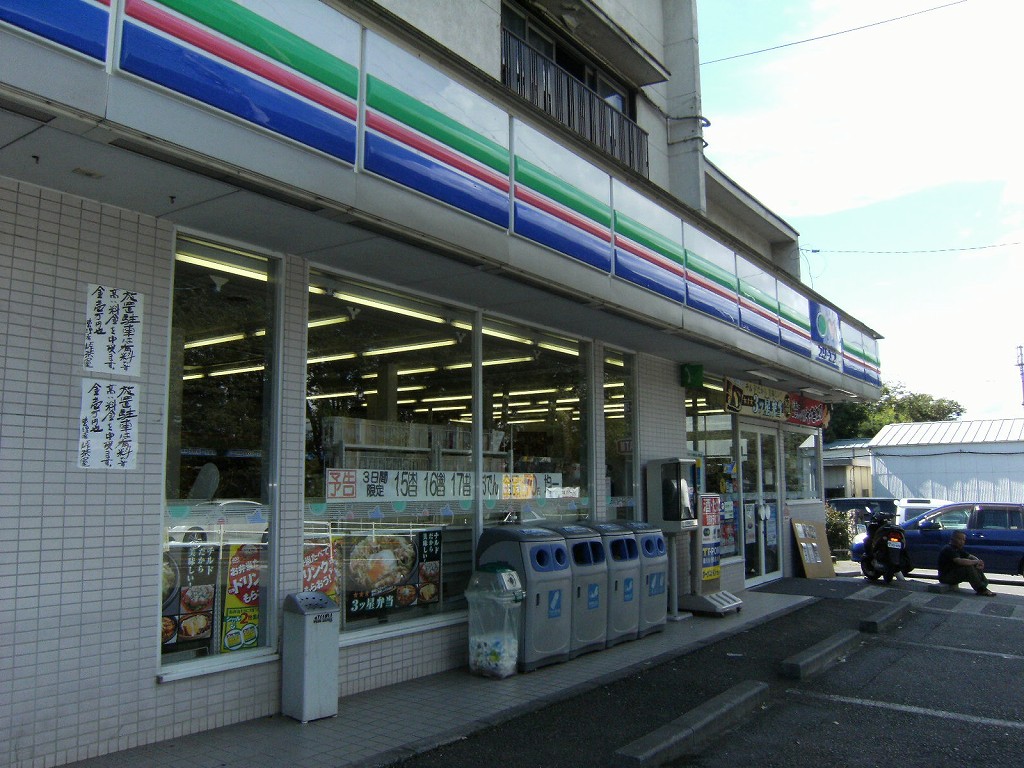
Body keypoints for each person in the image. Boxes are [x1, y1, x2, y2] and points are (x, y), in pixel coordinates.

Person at [937, 531, 995, 596]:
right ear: (953, 539)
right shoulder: (948, 549)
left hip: (954, 574)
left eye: (963, 540)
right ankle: (981, 590)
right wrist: (975, 562)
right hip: (946, 577)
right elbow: (959, 561)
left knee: (973, 564)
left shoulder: (958, 549)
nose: (962, 542)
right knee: (968, 567)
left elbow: (970, 556)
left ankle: (984, 585)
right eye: (960, 539)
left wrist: (978, 562)